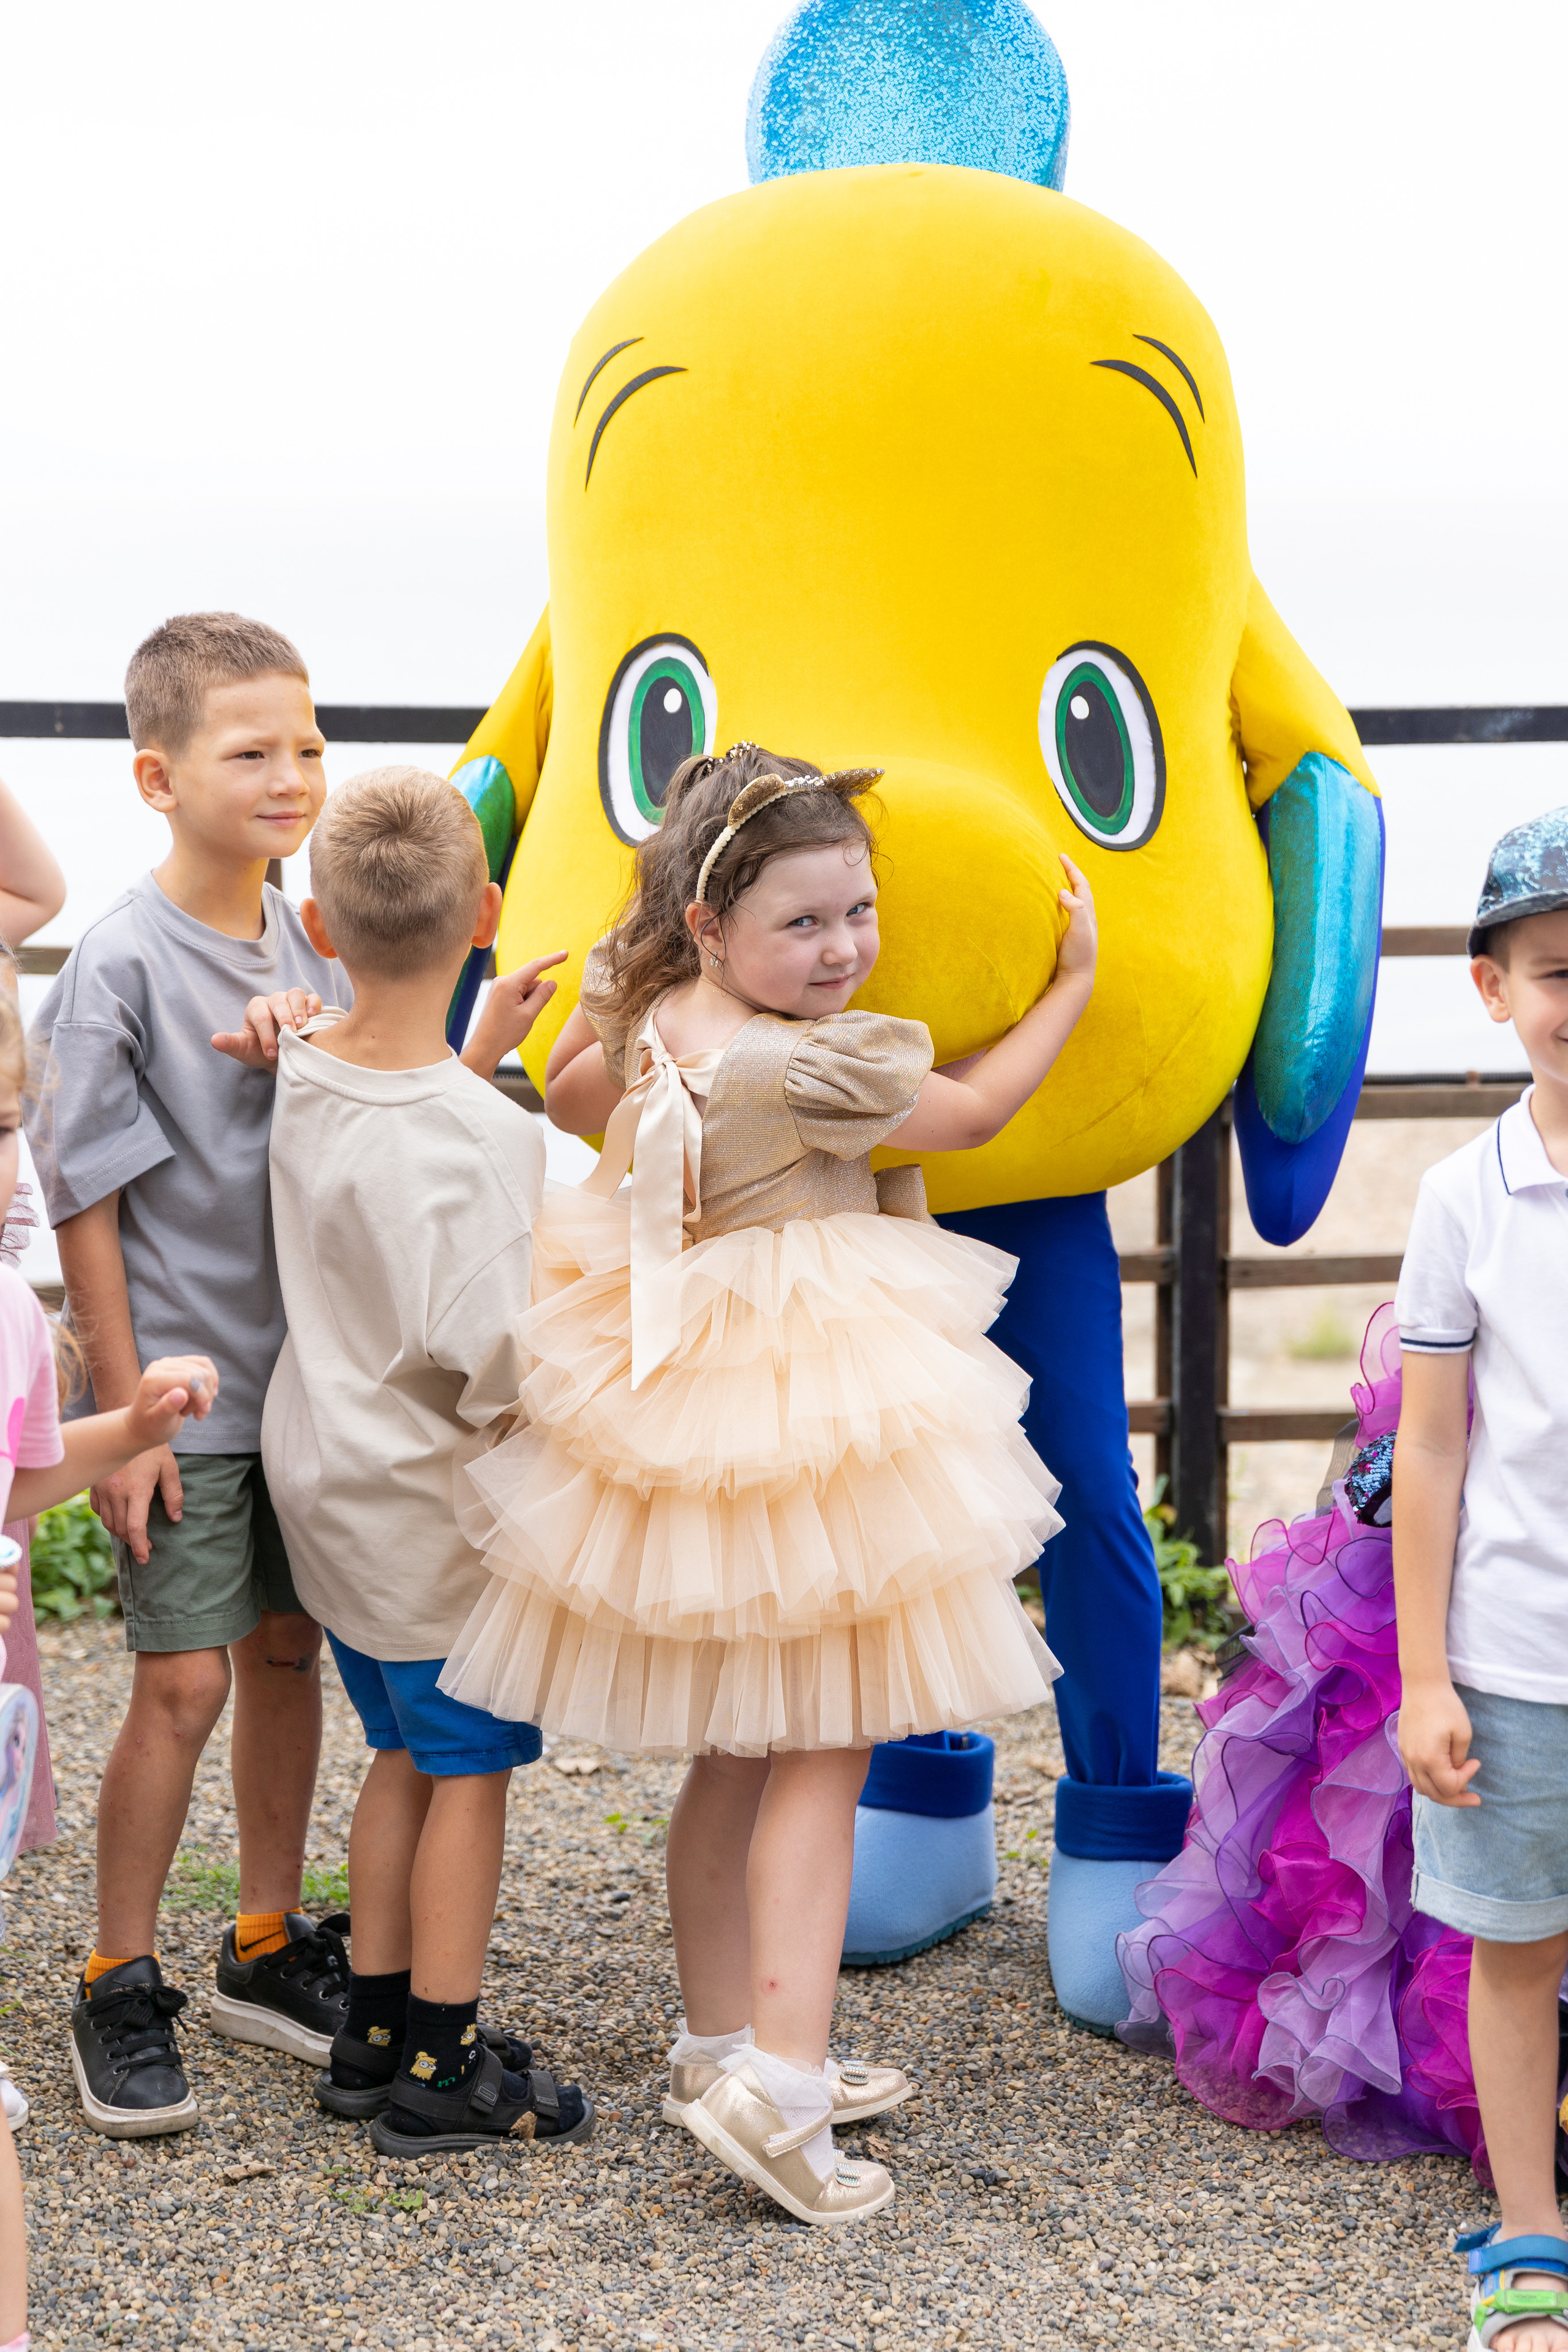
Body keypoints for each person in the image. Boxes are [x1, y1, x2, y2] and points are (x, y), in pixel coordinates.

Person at [437, 742, 1091, 2225]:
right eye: (803, 923)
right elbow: (974, 1116)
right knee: (824, 1744)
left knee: (740, 1744)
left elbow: (575, 1093)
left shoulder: (660, 1009)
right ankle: (783, 2096)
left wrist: (628, 985)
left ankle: (719, 2043)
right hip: (804, 1392)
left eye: (856, 912)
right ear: (714, 924)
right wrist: (1068, 987)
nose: (843, 947)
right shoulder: (807, 1064)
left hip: (695, 1387)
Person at [217, 766, 594, 2155]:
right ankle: (442, 2064)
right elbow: (488, 1353)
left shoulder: (304, 1066)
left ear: (318, 924)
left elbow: (390, 1122)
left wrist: (469, 1046)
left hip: (326, 1482)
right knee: (469, 1773)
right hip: (431, 1507)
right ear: (486, 913)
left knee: (398, 1755)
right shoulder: (490, 1136)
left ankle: (368, 2035)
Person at [26, 612, 352, 2136]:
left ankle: (265, 1943)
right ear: (157, 779)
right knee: (181, 1678)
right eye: (251, 752)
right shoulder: (118, 961)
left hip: (313, 1389)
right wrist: (127, 1415)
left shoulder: (314, 942)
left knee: (289, 1651)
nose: (290, 776)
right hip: (185, 1400)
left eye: (309, 746)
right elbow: (81, 1200)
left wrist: (327, 1041)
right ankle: (117, 1973)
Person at [0, 983, 219, 2339]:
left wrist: (126, 1425)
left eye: (2, 1128)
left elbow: (21, 1480)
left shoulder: (10, 1318)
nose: (5, 1171)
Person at [1393, 809, 1568, 2352]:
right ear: (1491, 988)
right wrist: (1423, 1676)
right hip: (1517, 1653)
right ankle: (1526, 2238)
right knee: (1515, 1954)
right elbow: (1432, 1450)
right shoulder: (1461, 1198)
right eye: (1557, 970)